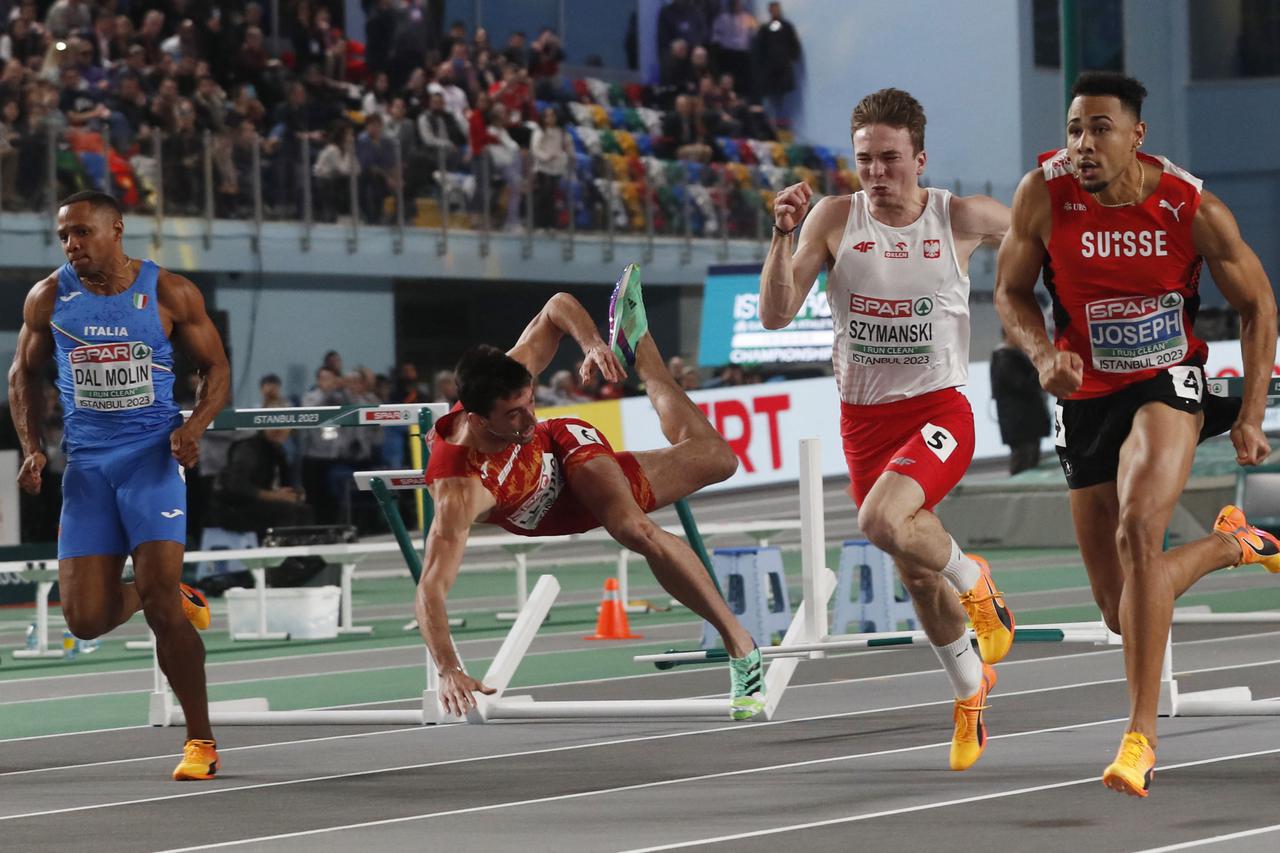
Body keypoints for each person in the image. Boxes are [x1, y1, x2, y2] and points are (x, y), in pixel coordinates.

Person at [995, 71, 1279, 797]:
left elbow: (1258, 305)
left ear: (1136, 136)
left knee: (1138, 526)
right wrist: (1041, 354)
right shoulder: (1042, 195)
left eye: (1099, 129)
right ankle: (1229, 543)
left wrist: (1249, 414)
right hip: (1085, 395)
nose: (1082, 145)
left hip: (1167, 382)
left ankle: (1140, 736)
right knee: (1120, 608)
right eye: (1073, 130)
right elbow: (1011, 291)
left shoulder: (1191, 207)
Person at [759, 88, 1014, 771]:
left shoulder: (960, 217)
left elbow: (1045, 239)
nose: (876, 172)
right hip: (864, 423)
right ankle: (969, 691)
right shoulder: (834, 218)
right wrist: (783, 234)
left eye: (890, 159)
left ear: (919, 158)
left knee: (880, 521)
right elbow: (777, 315)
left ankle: (976, 575)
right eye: (865, 159)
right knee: (915, 575)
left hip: (938, 412)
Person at [416, 267, 765, 720]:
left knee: (632, 528)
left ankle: (741, 646)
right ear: (479, 420)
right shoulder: (459, 485)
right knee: (718, 459)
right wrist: (448, 668)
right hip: (549, 512)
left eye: (530, 404)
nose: (527, 418)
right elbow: (430, 588)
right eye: (514, 416)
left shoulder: (510, 384)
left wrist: (592, 344)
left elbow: (556, 306)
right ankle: (640, 345)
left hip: (567, 450)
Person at [7, 190, 230, 781]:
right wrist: (32, 448)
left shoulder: (169, 292)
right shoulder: (50, 298)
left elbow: (217, 369)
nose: (72, 245)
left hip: (151, 460)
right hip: (86, 469)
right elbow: (20, 377)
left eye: (81, 232)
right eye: (64, 237)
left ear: (116, 229)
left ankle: (200, 742)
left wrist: (195, 424)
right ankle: (172, 592)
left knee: (158, 602)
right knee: (83, 620)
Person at [990, 328, 1050, 475]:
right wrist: (1041, 372)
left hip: (1025, 423)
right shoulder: (1005, 359)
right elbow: (1022, 385)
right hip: (1020, 424)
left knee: (1030, 459)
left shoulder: (1012, 357)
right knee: (1023, 461)